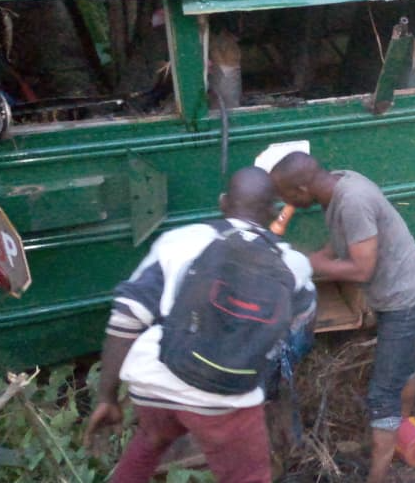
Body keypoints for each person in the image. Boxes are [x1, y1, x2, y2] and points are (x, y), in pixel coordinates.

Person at [84, 166, 316, 483]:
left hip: (155, 378)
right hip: (223, 399)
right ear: (274, 212)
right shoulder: (292, 264)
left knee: (151, 441)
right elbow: (297, 330)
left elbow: (126, 317)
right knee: (249, 476)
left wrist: (107, 398)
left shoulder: (178, 241)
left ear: (223, 203)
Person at [270, 152, 415, 483]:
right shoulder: (337, 184)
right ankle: (401, 429)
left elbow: (363, 268)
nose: (285, 204)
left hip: (409, 299)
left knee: (382, 394)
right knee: (403, 367)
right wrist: (305, 261)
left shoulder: (352, 200)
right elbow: (340, 244)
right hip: (401, 295)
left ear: (303, 188)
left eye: (288, 196)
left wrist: (310, 264)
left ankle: (378, 475)